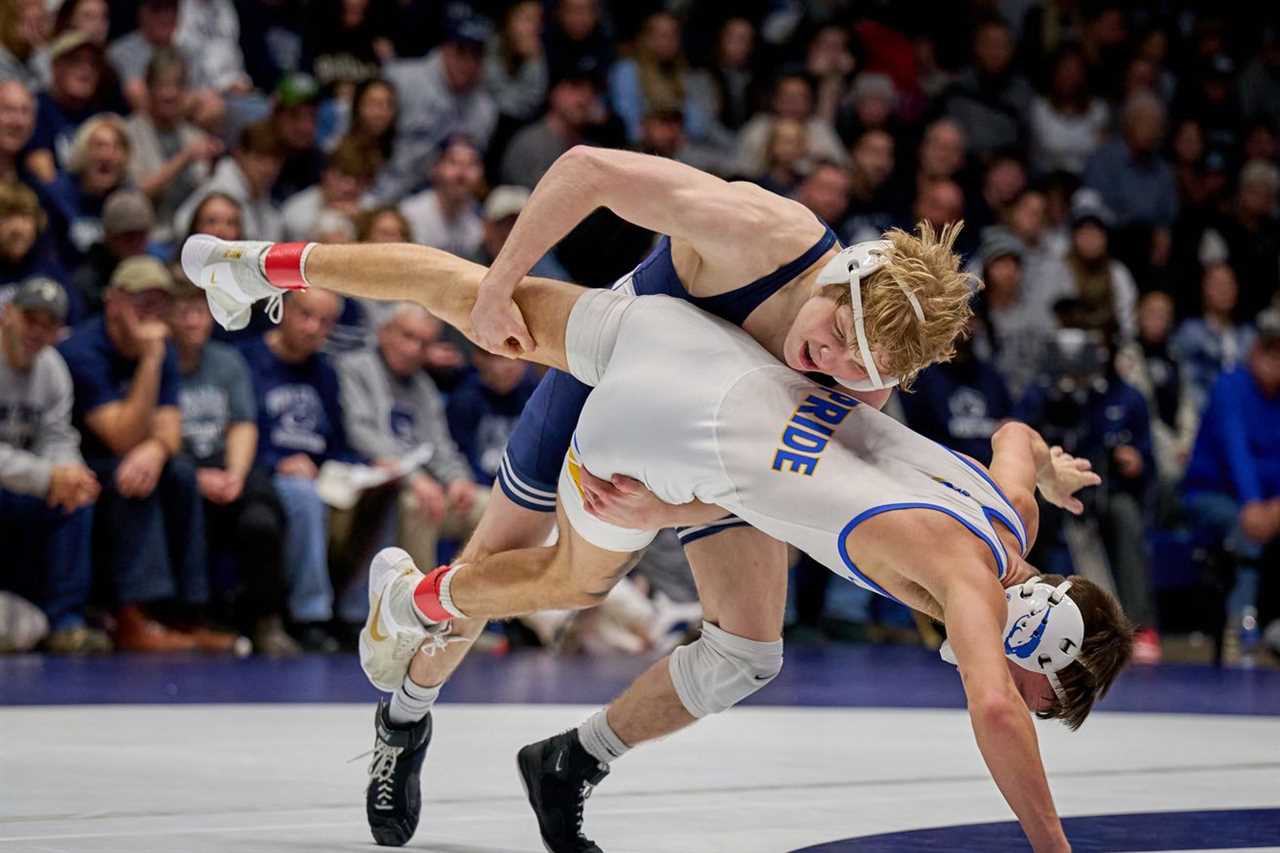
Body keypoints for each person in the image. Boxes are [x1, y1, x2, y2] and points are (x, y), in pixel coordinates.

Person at [185, 218, 1132, 853]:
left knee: (745, 650)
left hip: (683, 360)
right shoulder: (771, 233)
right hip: (668, 427)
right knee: (539, 579)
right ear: (1030, 630)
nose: (854, 371)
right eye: (1037, 684)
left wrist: (1044, 465)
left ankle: (259, 261)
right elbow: (996, 713)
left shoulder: (1009, 520)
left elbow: (1001, 440)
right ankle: (410, 650)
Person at [57, 255, 215, 652]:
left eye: (160, 301)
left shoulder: (161, 346)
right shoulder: (83, 350)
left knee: (178, 472)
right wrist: (149, 360)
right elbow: (120, 437)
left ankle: (186, 613)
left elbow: (171, 431)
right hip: (81, 462)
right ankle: (131, 617)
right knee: (131, 477)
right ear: (113, 301)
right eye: (140, 299)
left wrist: (156, 450)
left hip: (129, 458)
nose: (152, 310)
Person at [168, 274, 295, 655]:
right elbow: (158, 430)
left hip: (226, 467)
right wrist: (196, 475)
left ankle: (268, 620)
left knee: (261, 514)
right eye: (184, 312)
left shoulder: (227, 361)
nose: (194, 321)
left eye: (201, 311)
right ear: (168, 317)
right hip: (179, 469)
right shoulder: (158, 362)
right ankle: (193, 618)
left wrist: (235, 476)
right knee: (180, 492)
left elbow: (242, 424)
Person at [0, 277, 107, 653]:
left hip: (25, 483)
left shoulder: (53, 369)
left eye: (49, 324)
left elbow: (58, 436)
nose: (38, 332)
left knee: (78, 500)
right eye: (31, 319)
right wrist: (48, 476)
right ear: (7, 315)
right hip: (20, 479)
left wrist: (72, 474)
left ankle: (66, 623)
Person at [338, 303, 482, 578]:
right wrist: (414, 478)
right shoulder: (356, 368)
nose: (414, 348)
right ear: (384, 332)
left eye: (424, 342)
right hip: (374, 480)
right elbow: (362, 435)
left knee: (485, 508)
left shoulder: (423, 386)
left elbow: (440, 445)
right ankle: (418, 610)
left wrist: (457, 479)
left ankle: (474, 612)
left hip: (422, 483)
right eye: (407, 336)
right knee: (419, 505)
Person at [399, 136, 484, 257]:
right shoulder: (409, 214)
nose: (462, 173)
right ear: (435, 168)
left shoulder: (478, 222)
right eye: (453, 162)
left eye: (471, 164)